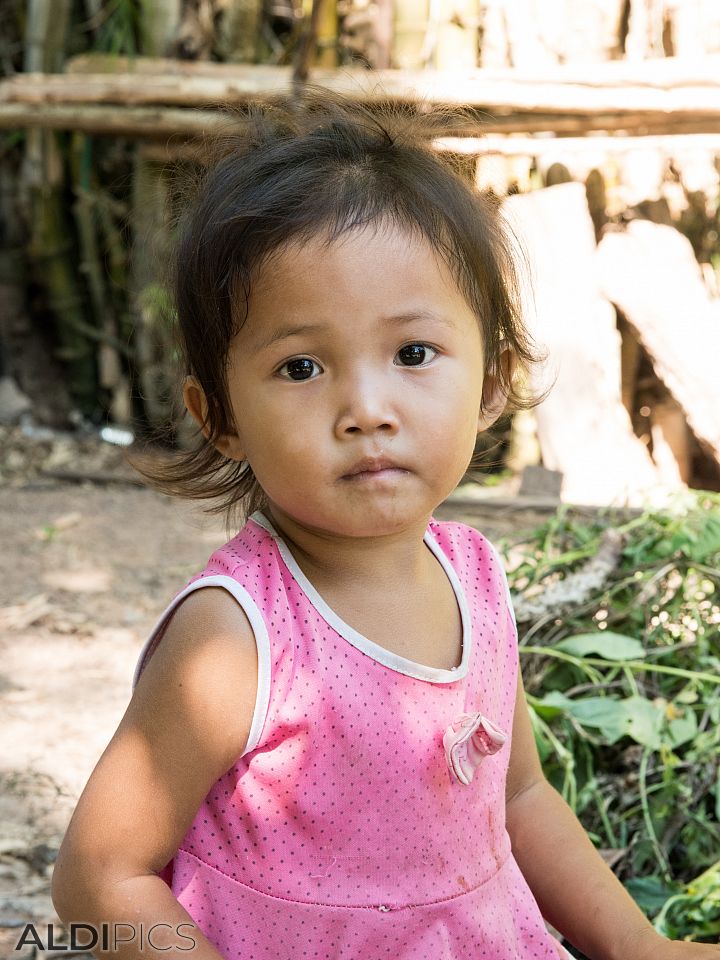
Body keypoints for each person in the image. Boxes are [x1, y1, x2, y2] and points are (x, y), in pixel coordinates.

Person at [51, 87, 718, 960]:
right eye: (301, 366)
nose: (366, 408)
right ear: (219, 417)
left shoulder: (475, 576)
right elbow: (99, 877)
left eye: (412, 354)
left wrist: (644, 949)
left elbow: (518, 800)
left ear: (490, 385)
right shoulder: (239, 637)